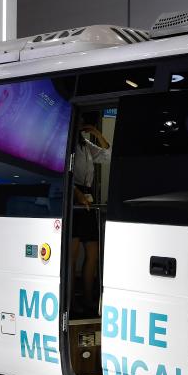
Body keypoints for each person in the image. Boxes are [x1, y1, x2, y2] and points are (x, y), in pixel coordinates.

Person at [71, 121, 111, 315]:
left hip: (88, 197)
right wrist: (77, 194)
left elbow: (107, 155)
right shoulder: (65, 143)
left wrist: (96, 132)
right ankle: (70, 301)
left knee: (93, 252)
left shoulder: (85, 144)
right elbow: (62, 173)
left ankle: (88, 299)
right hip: (73, 196)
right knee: (72, 255)